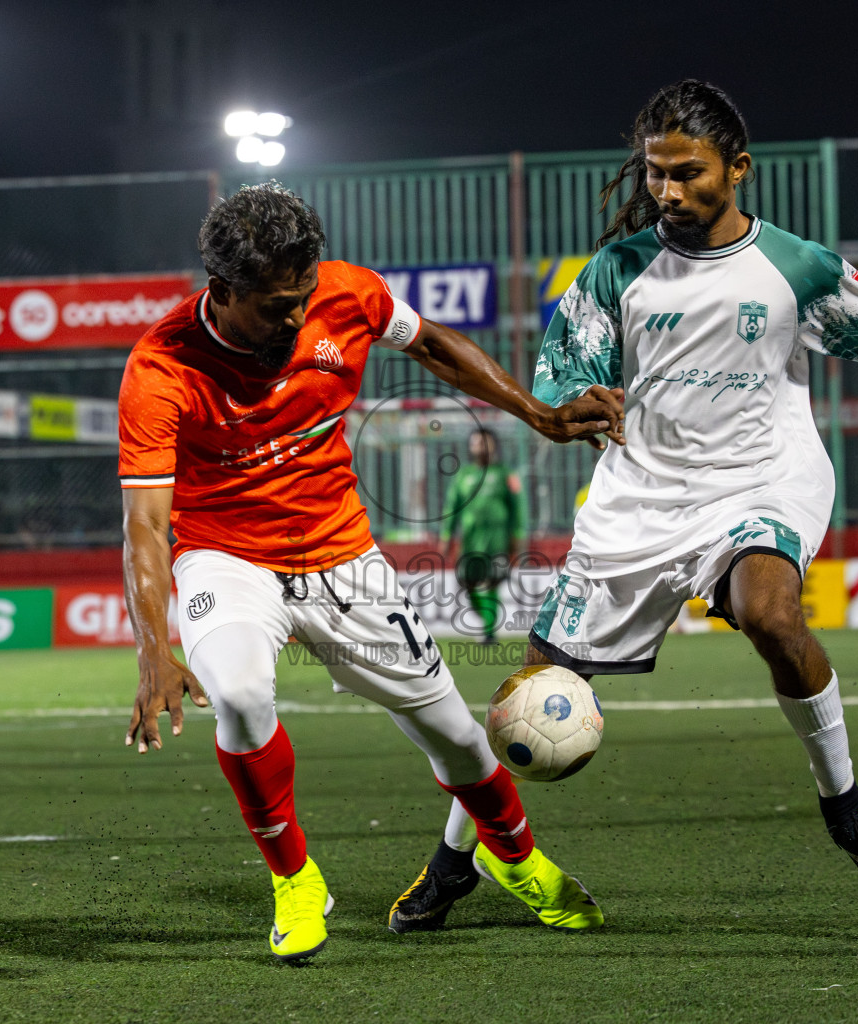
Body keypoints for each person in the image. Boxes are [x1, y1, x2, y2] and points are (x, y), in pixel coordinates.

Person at [425, 79, 858, 910]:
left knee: (772, 614)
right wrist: (574, 395)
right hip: (640, 495)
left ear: (739, 169)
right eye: (656, 174)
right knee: (535, 685)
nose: (669, 192)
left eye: (689, 173)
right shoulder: (619, 268)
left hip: (761, 475)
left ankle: (845, 805)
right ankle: (453, 862)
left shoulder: (796, 267)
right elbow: (570, 358)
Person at [119, 183, 622, 961]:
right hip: (227, 556)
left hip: (343, 555)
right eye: (277, 305)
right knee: (242, 696)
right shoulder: (159, 368)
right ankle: (295, 881)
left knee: (457, 739)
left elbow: (431, 345)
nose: (296, 317)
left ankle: (513, 859)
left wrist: (538, 411)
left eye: (303, 297)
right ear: (221, 292)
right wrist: (155, 645)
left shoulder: (347, 293)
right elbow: (146, 526)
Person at [440, 428, 524, 644]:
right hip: (470, 539)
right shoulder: (463, 476)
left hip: (497, 538)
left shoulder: (505, 474)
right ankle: (487, 621)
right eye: (477, 442)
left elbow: (517, 507)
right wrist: (446, 535)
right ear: (470, 446)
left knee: (492, 582)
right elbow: (452, 507)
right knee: (468, 583)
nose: (481, 446)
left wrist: (517, 535)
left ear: (494, 445)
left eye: (486, 442)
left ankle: (489, 631)